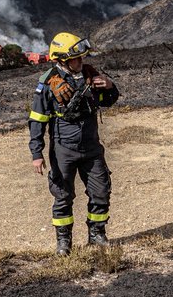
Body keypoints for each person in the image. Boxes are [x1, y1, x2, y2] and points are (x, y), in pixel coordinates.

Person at [28, 32, 119, 256]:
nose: (80, 62)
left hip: (91, 148)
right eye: (75, 59)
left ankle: (97, 234)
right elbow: (37, 119)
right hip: (63, 150)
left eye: (81, 58)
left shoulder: (90, 75)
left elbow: (108, 101)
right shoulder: (48, 83)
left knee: (101, 192)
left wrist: (109, 86)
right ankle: (63, 243)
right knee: (63, 196)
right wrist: (36, 153)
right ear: (61, 60)